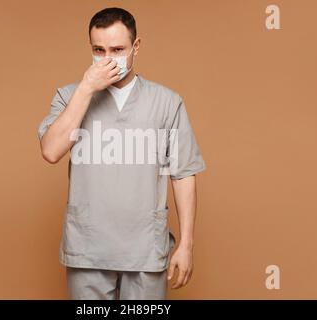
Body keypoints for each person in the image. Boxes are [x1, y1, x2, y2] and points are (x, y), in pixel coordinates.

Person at [37, 7, 206, 300]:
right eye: (98, 50)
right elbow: (51, 151)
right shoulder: (69, 96)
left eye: (117, 49)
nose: (107, 59)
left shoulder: (167, 102)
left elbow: (183, 174)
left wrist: (187, 245)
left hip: (145, 248)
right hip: (88, 248)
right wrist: (86, 89)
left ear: (136, 46)